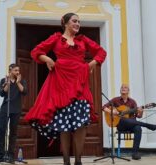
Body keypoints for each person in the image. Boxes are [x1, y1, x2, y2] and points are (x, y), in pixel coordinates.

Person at [24, 13, 107, 165]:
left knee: (81, 123)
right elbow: (36, 51)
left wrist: (92, 63)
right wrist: (47, 58)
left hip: (80, 83)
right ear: (65, 23)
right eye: (74, 21)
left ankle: (78, 161)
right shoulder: (56, 38)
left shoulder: (82, 40)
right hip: (61, 83)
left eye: (79, 22)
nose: (78, 24)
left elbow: (101, 52)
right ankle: (66, 161)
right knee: (64, 124)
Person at [103, 84, 156, 160]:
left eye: (125, 87)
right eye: (122, 87)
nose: (123, 88)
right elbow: (104, 107)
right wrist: (112, 111)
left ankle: (135, 153)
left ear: (128, 91)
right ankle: (147, 125)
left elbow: (138, 116)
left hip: (132, 124)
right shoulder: (115, 100)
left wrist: (141, 111)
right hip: (121, 125)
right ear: (120, 91)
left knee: (138, 128)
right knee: (123, 119)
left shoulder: (132, 102)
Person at [0, 63, 27, 163]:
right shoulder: (4, 80)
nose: (18, 72)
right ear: (10, 71)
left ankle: (11, 155)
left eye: (18, 70)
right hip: (5, 108)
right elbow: (2, 93)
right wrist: (8, 83)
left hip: (16, 110)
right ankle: (1, 155)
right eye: (15, 70)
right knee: (2, 130)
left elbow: (24, 92)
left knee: (13, 132)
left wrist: (18, 83)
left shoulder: (22, 81)